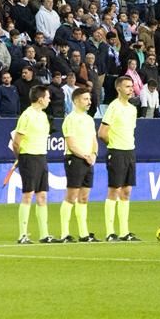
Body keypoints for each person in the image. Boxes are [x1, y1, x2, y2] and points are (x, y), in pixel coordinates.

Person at [99, 76, 139, 241]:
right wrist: (113, 144)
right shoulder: (113, 107)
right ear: (119, 89)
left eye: (132, 86)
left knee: (126, 191)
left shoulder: (132, 109)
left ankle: (124, 232)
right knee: (114, 190)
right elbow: (102, 133)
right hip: (116, 151)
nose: (131, 89)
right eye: (127, 86)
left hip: (130, 151)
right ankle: (110, 232)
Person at [13, 84, 54, 244]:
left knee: (42, 195)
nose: (49, 100)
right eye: (48, 97)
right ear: (40, 98)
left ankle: (44, 234)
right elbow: (17, 142)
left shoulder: (43, 116)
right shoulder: (26, 115)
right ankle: (22, 234)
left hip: (41, 156)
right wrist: (21, 157)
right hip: (28, 157)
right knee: (28, 194)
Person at [60, 87, 97, 242]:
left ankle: (84, 233)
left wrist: (93, 155)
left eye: (89, 99)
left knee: (84, 197)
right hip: (75, 159)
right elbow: (71, 144)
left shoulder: (89, 119)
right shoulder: (70, 119)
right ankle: (64, 233)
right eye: (85, 99)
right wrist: (85, 156)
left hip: (88, 160)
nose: (89, 102)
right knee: (71, 196)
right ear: (76, 101)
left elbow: (94, 140)